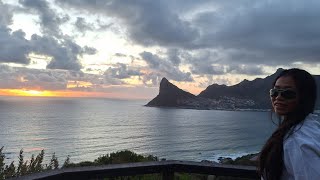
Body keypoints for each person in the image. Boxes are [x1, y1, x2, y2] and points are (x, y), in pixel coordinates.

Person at [258, 68, 320, 180]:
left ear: (304, 97)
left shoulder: (298, 142)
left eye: (288, 93)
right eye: (274, 92)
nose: (278, 98)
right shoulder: (311, 127)